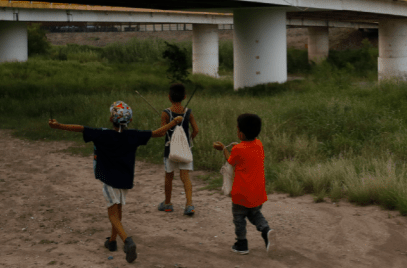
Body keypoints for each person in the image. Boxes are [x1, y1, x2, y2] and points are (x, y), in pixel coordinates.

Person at [48, 101, 182, 264]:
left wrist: (59, 125)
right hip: (125, 180)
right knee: (118, 210)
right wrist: (173, 122)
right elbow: (158, 133)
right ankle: (112, 241)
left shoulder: (102, 134)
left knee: (112, 215)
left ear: (111, 119)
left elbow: (80, 128)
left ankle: (127, 241)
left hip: (109, 180)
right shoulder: (134, 135)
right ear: (130, 121)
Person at [214, 113, 273, 255]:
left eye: (237, 129)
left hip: (242, 192)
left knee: (239, 217)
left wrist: (224, 149)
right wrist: (239, 145)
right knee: (254, 213)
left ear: (241, 133)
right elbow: (247, 154)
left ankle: (242, 244)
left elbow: (230, 161)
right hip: (258, 191)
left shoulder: (237, 149)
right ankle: (266, 230)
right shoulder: (259, 144)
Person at [158, 83, 199, 216]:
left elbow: (162, 132)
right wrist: (188, 140)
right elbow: (196, 130)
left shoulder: (165, 113)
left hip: (169, 150)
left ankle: (168, 204)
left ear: (169, 97)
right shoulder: (188, 112)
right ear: (185, 96)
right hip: (185, 150)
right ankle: (189, 205)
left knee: (169, 176)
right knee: (185, 177)